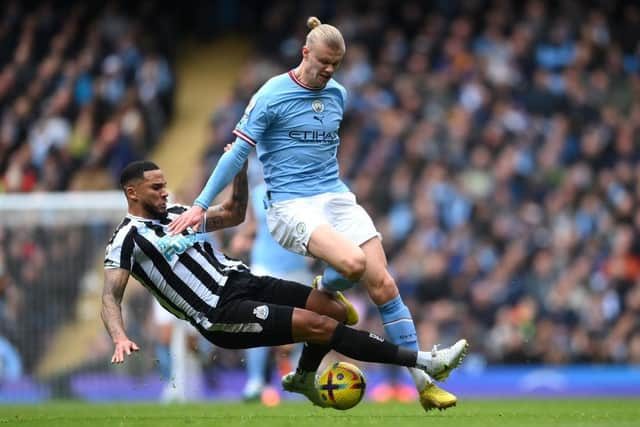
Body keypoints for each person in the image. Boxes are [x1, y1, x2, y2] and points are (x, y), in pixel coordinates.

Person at [168, 17, 467, 410]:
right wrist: (201, 204)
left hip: (335, 196)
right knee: (354, 264)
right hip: (289, 205)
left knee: (384, 286)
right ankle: (322, 296)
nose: (328, 70)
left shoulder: (338, 95)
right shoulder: (271, 95)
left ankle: (424, 384)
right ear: (305, 52)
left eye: (336, 65)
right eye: (323, 62)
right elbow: (238, 151)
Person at [102, 160, 467, 409]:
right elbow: (110, 296)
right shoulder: (126, 240)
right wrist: (119, 335)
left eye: (165, 185)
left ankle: (304, 378)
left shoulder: (180, 214)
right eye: (156, 188)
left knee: (335, 309)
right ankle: (424, 362)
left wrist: (240, 171)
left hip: (244, 280)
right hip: (218, 310)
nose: (165, 192)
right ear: (132, 193)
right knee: (321, 326)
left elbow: (233, 214)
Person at [230, 180, 314, 401]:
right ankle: (255, 381)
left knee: (302, 325)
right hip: (265, 266)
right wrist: (243, 238)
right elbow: (254, 224)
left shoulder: (304, 191)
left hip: (297, 267)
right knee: (256, 322)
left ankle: (298, 378)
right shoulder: (259, 193)